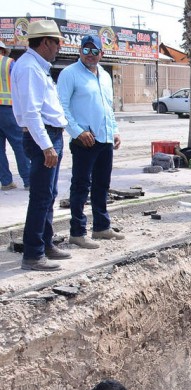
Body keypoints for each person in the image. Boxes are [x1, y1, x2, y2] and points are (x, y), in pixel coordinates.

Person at [11, 20, 71, 271]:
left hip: (50, 135)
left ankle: (45, 243)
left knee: (49, 195)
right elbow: (32, 112)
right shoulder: (29, 69)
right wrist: (47, 146)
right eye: (57, 42)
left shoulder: (37, 66)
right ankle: (33, 254)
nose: (59, 47)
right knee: (40, 197)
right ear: (46, 41)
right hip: (42, 138)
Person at [57, 35, 123, 250]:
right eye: (86, 50)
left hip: (104, 139)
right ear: (80, 51)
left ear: (101, 54)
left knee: (102, 184)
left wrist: (114, 131)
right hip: (85, 140)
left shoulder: (104, 75)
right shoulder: (70, 74)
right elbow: (62, 107)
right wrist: (77, 132)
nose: (90, 55)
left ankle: (101, 227)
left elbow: (108, 107)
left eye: (95, 51)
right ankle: (77, 232)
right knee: (81, 186)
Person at [0, 40, 30, 191]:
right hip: (8, 109)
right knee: (19, 145)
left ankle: (6, 182)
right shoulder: (9, 63)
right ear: (4, 51)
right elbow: (20, 85)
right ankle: (28, 180)